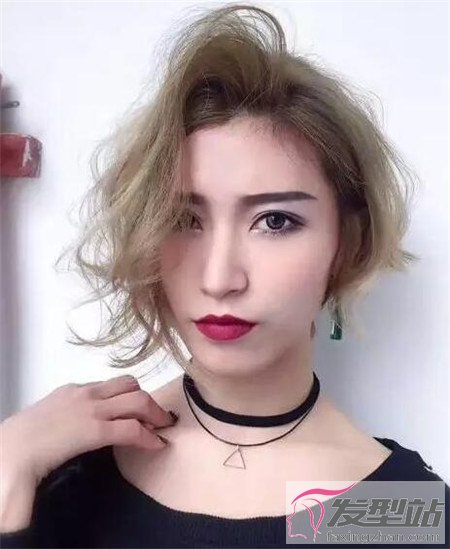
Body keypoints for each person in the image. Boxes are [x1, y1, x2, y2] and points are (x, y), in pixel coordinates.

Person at [1, 3, 448, 548]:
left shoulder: (390, 508)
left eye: (275, 221)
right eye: (184, 220)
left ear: (346, 243)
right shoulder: (65, 470)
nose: (219, 278)